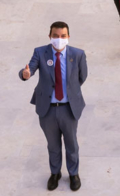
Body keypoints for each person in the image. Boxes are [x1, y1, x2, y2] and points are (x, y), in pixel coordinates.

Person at [18, 21, 87, 191]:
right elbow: (29, 69)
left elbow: (81, 77)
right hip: (47, 109)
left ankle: (73, 174)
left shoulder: (77, 54)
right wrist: (25, 74)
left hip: (68, 108)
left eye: (63, 36)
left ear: (68, 37)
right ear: (50, 37)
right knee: (53, 144)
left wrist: (69, 92)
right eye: (55, 36)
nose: (59, 39)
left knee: (72, 144)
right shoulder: (40, 52)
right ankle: (55, 173)